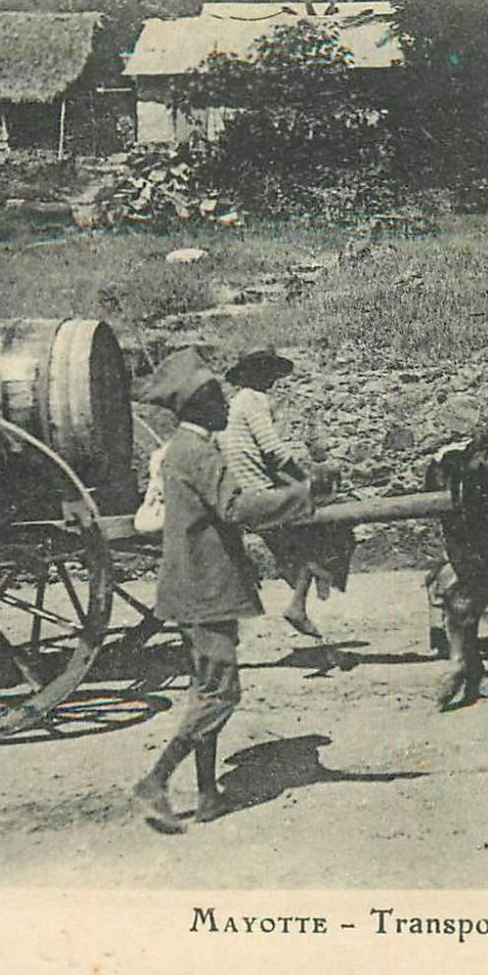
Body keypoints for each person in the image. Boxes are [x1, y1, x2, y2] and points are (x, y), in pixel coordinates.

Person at [134, 348, 321, 834]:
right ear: (199, 405)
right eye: (217, 397)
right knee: (221, 692)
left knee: (204, 688)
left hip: (199, 586)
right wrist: (302, 495)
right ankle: (154, 782)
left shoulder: (186, 448)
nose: (226, 404)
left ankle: (208, 792)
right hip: (204, 588)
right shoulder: (195, 452)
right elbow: (236, 509)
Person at [217, 345, 354, 640]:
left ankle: (306, 586)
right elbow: (273, 451)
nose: (270, 379)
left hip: (246, 485)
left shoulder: (238, 402)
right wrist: (305, 481)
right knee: (325, 517)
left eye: (271, 372)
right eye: (265, 371)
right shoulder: (253, 400)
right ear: (251, 374)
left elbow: (262, 458)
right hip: (255, 491)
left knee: (304, 533)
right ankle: (304, 596)